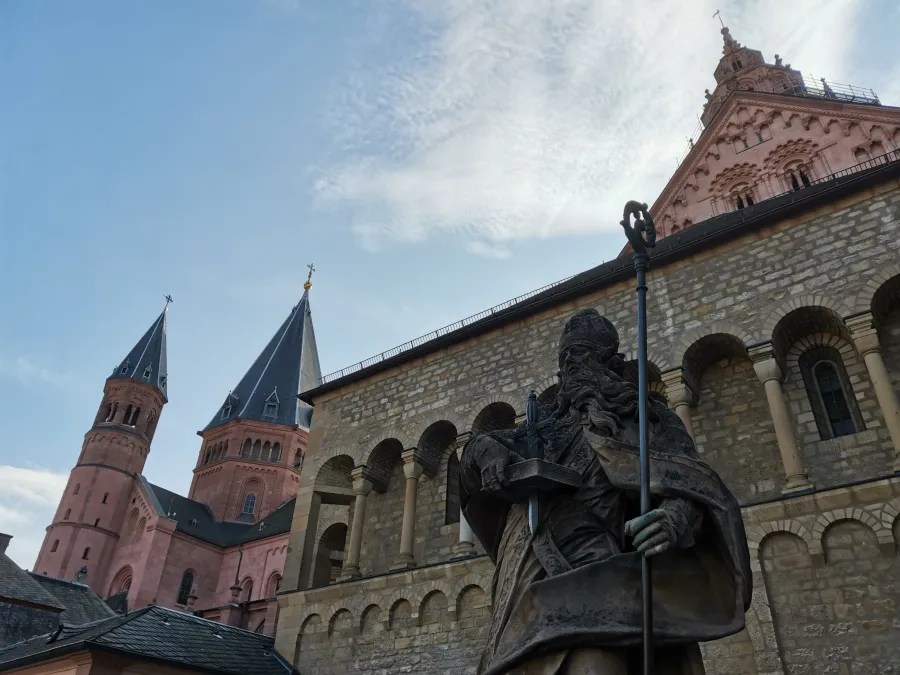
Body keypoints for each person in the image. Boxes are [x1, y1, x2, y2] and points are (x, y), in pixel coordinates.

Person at [460, 309, 751, 674]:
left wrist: (674, 519)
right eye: (567, 360)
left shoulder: (647, 420)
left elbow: (695, 484)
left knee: (595, 667)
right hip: (526, 578)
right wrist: (484, 451)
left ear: (612, 362)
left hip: (600, 580)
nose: (575, 367)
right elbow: (475, 458)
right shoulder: (542, 429)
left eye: (584, 356)